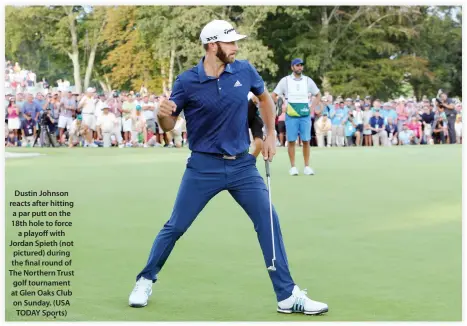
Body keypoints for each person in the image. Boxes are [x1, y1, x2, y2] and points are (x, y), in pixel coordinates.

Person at [128, 19, 328, 316]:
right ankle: (145, 279)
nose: (236, 47)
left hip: (242, 168)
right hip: (202, 167)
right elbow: (170, 124)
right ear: (212, 46)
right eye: (230, 42)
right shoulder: (186, 81)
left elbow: (264, 100)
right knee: (176, 226)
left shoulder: (244, 70)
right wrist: (162, 116)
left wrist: (271, 134)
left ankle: (287, 296)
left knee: (268, 221)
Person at [271, 58, 320, 176]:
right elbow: (274, 95)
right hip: (291, 115)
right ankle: (293, 167)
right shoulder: (285, 81)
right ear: (292, 67)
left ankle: (307, 166)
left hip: (305, 115)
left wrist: (312, 108)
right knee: (292, 140)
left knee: (306, 140)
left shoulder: (308, 80)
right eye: (297, 65)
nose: (300, 67)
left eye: (301, 65)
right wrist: (282, 106)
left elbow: (318, 95)